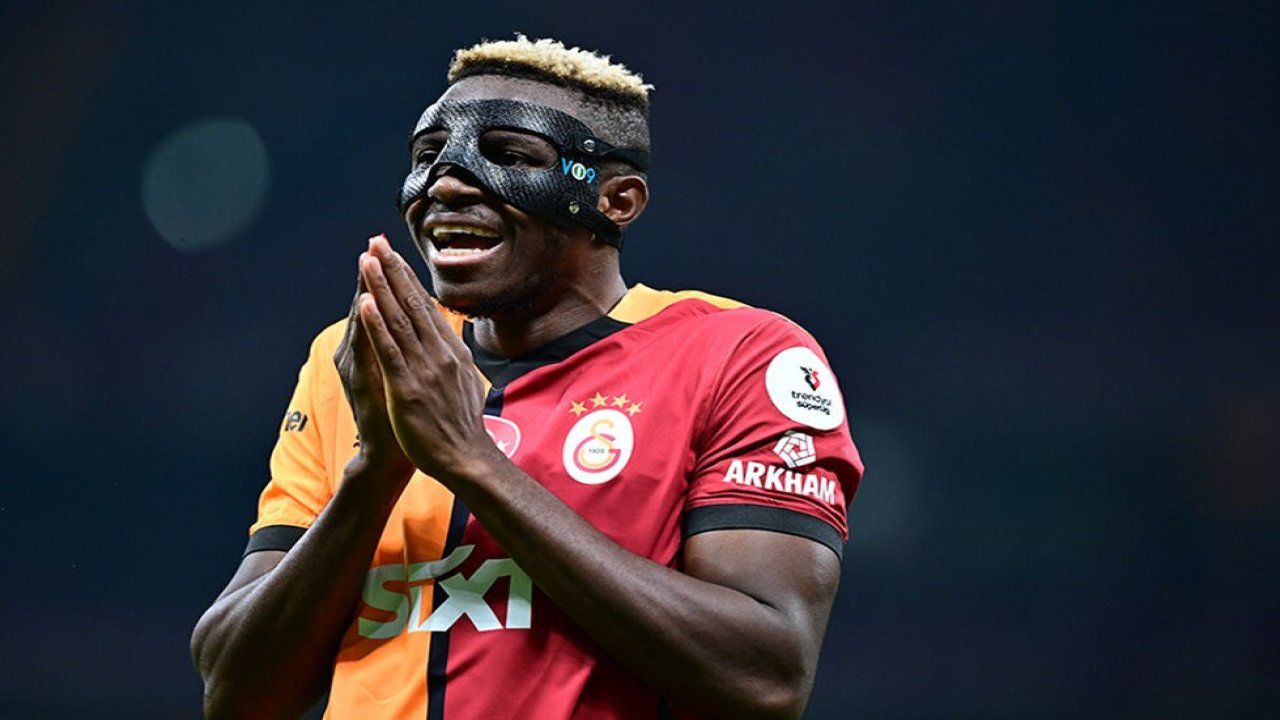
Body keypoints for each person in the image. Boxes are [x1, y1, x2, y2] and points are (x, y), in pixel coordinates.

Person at [191, 35, 863, 720]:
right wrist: (374, 473)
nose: (446, 184)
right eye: (428, 157)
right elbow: (238, 696)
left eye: (510, 157)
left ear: (617, 200)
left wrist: (470, 461)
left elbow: (765, 678)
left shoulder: (739, 355)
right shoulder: (366, 360)